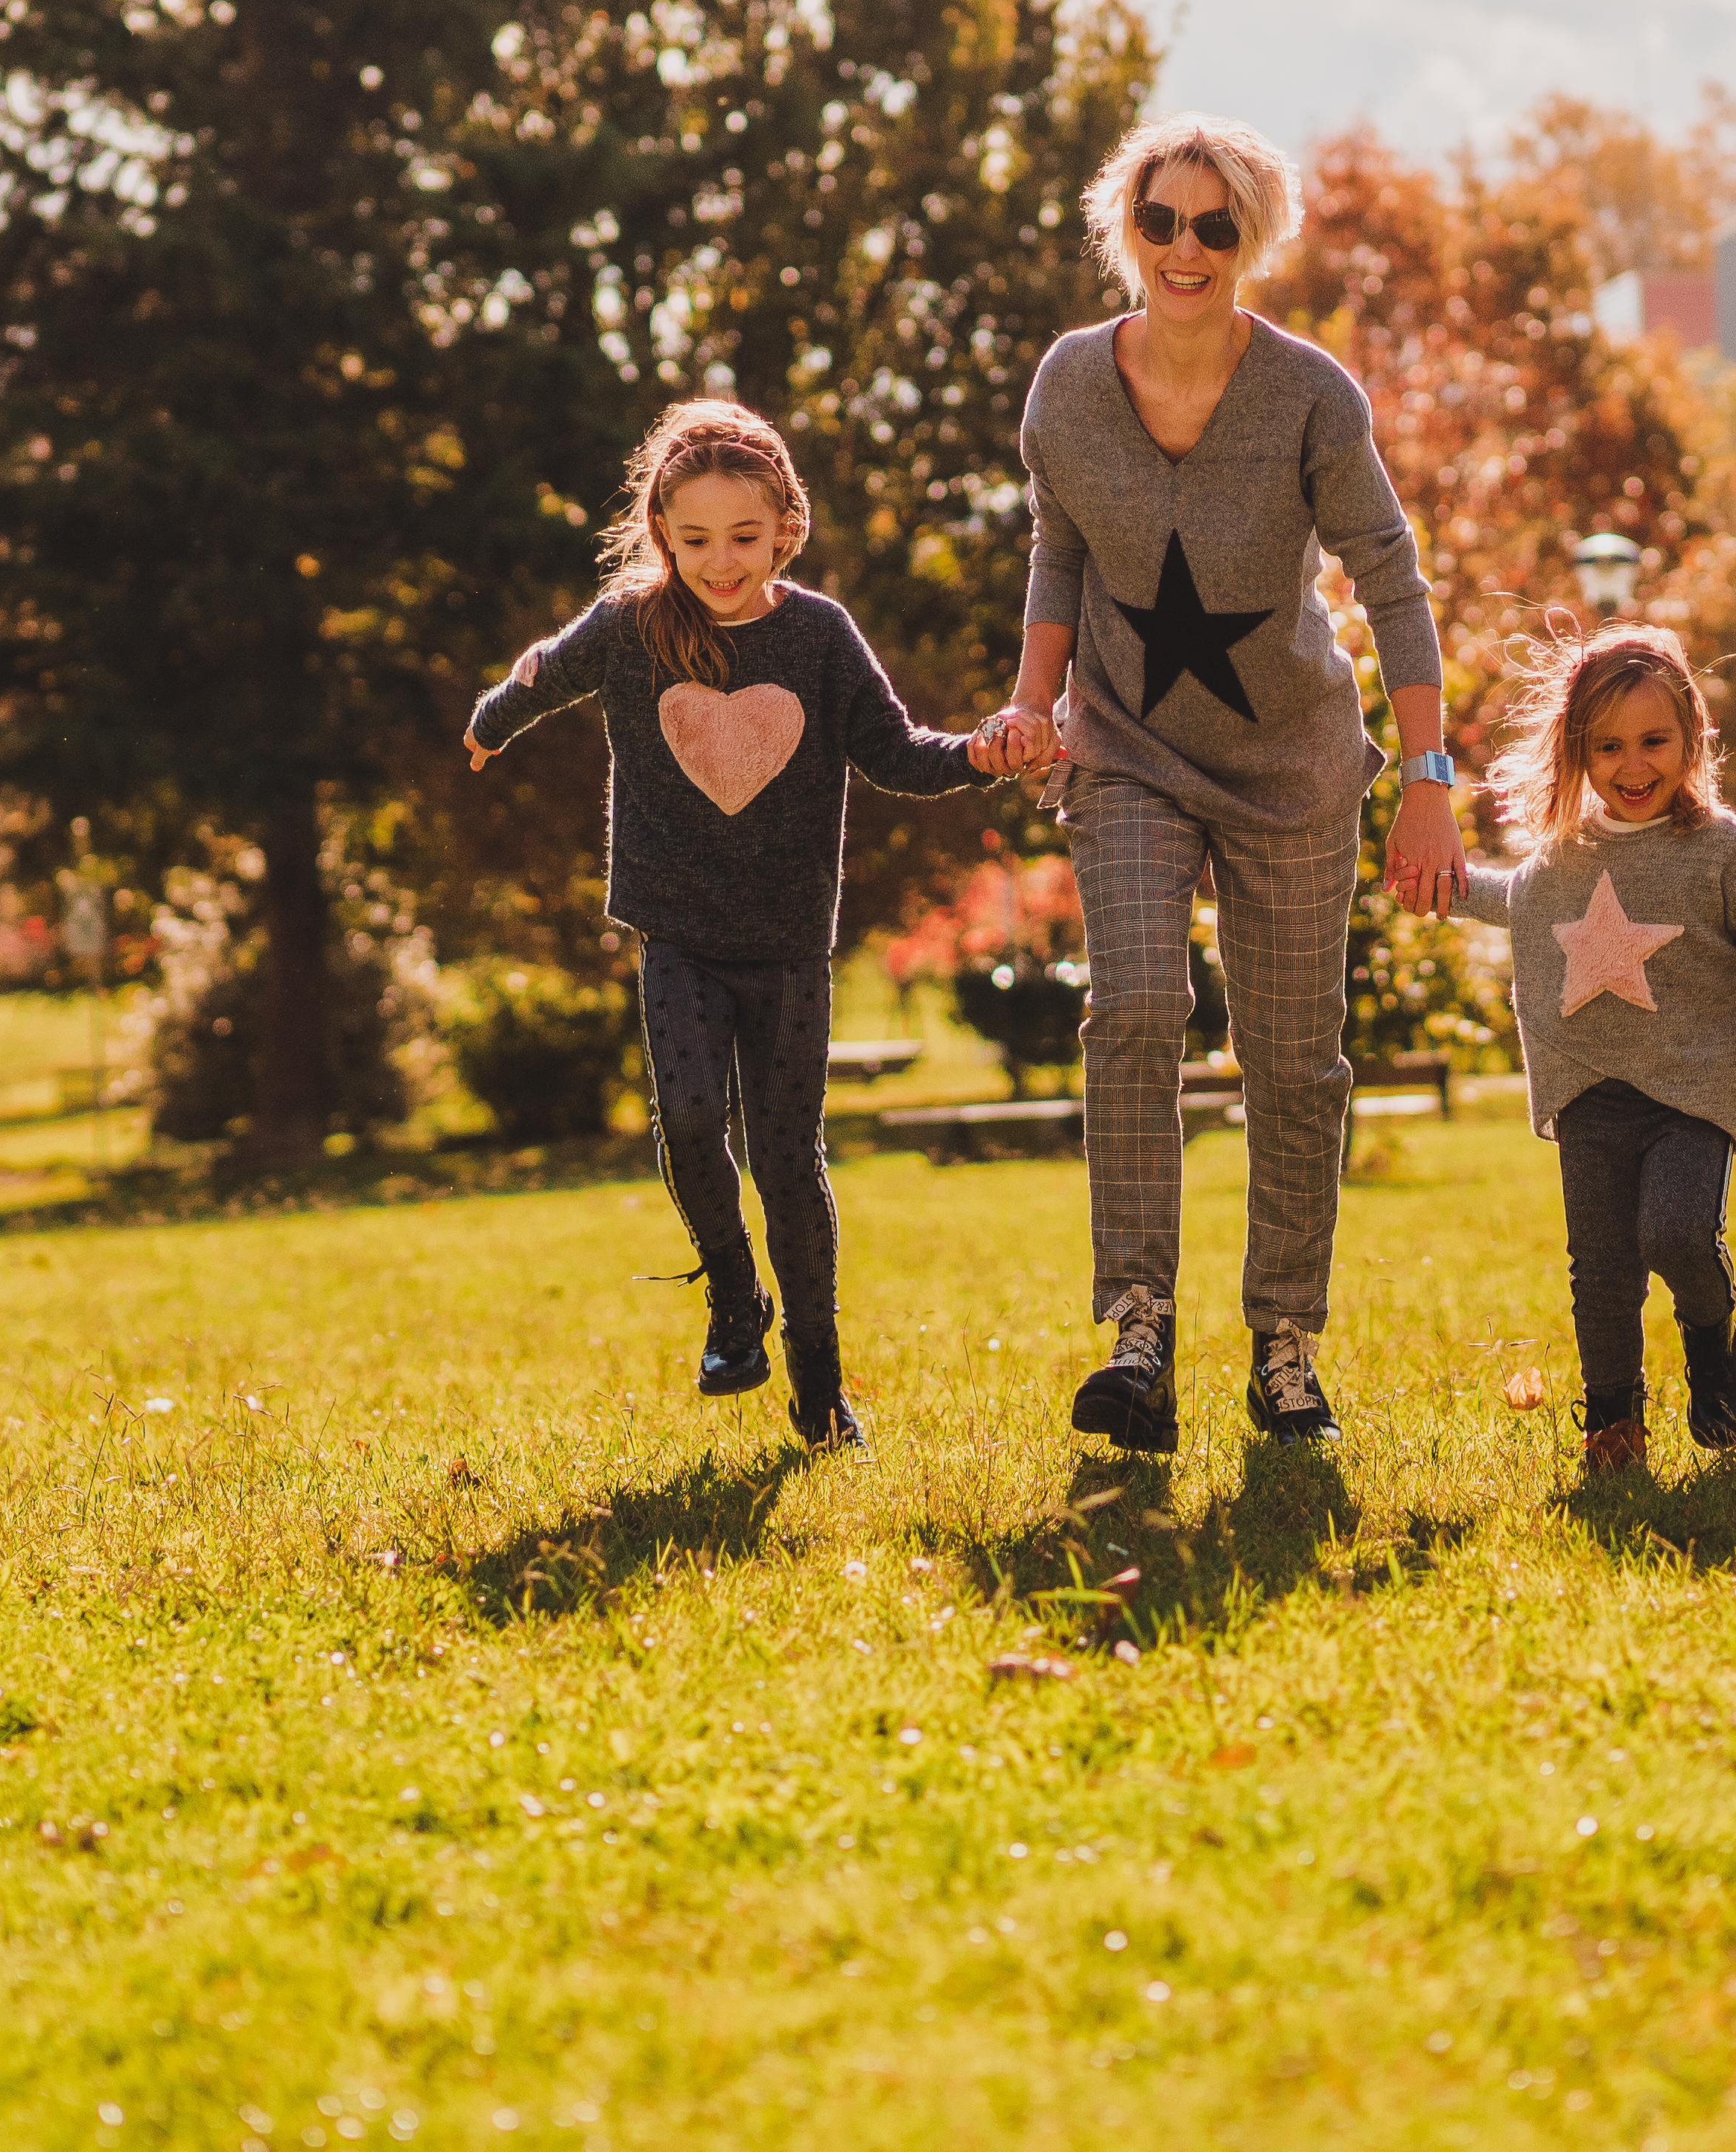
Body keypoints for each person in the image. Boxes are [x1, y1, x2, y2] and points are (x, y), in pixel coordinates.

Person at [976, 112, 1463, 1455]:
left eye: (1213, 225)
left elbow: (1393, 582)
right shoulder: (1068, 384)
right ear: (1122, 232)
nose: (1183, 248)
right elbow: (1055, 552)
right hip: (1126, 748)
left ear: (1251, 240)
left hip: (1294, 762)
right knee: (1133, 1002)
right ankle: (1138, 1324)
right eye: (1158, 220)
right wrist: (1032, 703)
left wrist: (1426, 777)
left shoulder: (1310, 396)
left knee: (1293, 1063)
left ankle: (1283, 1337)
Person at [468, 399, 1002, 1450]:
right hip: (678, 933)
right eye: (697, 539)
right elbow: (545, 672)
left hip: (791, 942)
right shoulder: (631, 627)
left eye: (745, 539)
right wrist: (492, 723)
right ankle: (732, 1299)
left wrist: (979, 753)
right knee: (690, 1117)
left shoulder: (817, 635)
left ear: (787, 528)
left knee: (790, 1159)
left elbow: (893, 753)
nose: (721, 562)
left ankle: (820, 1388)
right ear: (663, 531)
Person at [1450, 621, 1736, 1476]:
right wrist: (1449, 885)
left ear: (1692, 737)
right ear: (1579, 752)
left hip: (1691, 1086)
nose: (1633, 764)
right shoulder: (1563, 856)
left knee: (1677, 1233)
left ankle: (1712, 1339)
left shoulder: (1722, 850)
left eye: (1654, 741)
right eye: (1608, 746)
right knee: (1602, 1272)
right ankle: (1614, 1422)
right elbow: (1520, 903)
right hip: (1590, 1090)